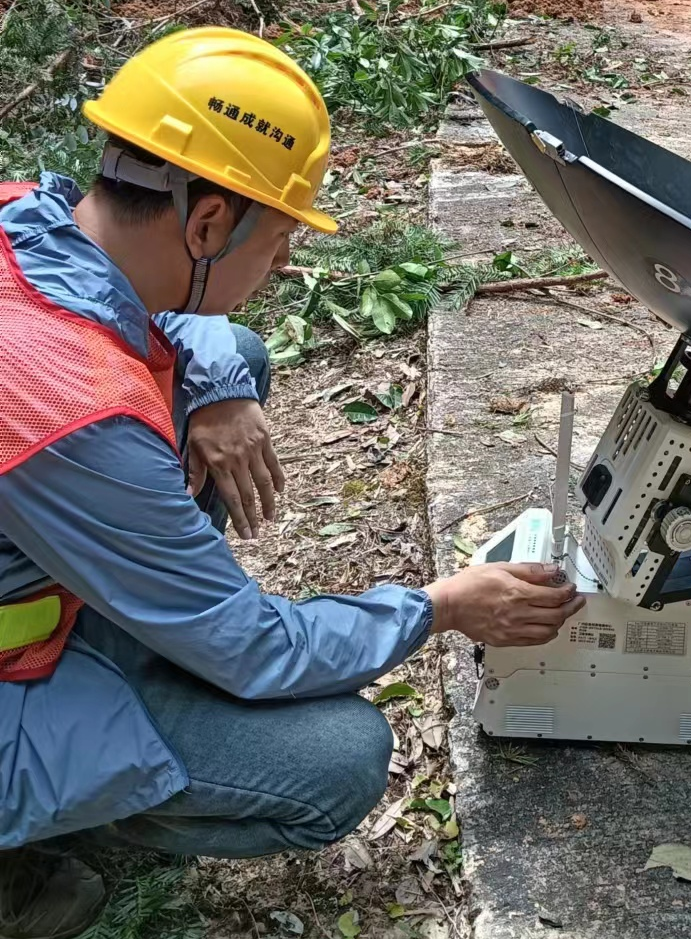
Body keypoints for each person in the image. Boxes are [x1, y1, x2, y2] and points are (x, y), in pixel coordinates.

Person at [0, 26, 583, 939]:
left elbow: (148, 317)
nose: (282, 266)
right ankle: (38, 840)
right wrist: (440, 606)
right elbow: (252, 647)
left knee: (229, 349)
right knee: (339, 758)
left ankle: (126, 689)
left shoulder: (28, 219)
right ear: (206, 223)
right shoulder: (75, 412)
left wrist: (219, 380)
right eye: (276, 239)